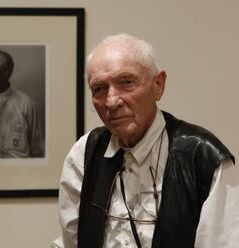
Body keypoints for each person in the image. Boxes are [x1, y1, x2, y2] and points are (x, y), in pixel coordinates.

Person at [52, 34, 237, 248]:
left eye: (126, 82)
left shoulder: (204, 158)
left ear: (158, 85)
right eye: (100, 88)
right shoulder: (85, 153)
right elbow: (70, 242)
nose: (112, 101)